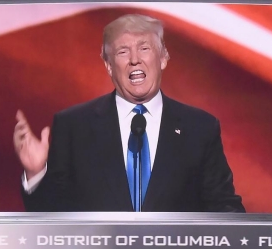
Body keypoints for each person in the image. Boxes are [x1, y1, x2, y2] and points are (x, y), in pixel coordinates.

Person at [13, 14, 244, 214]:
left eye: (144, 48)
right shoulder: (73, 126)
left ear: (163, 57)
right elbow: (52, 222)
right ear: (109, 66)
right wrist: (35, 173)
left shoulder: (200, 128)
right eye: (123, 51)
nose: (135, 59)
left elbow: (224, 209)